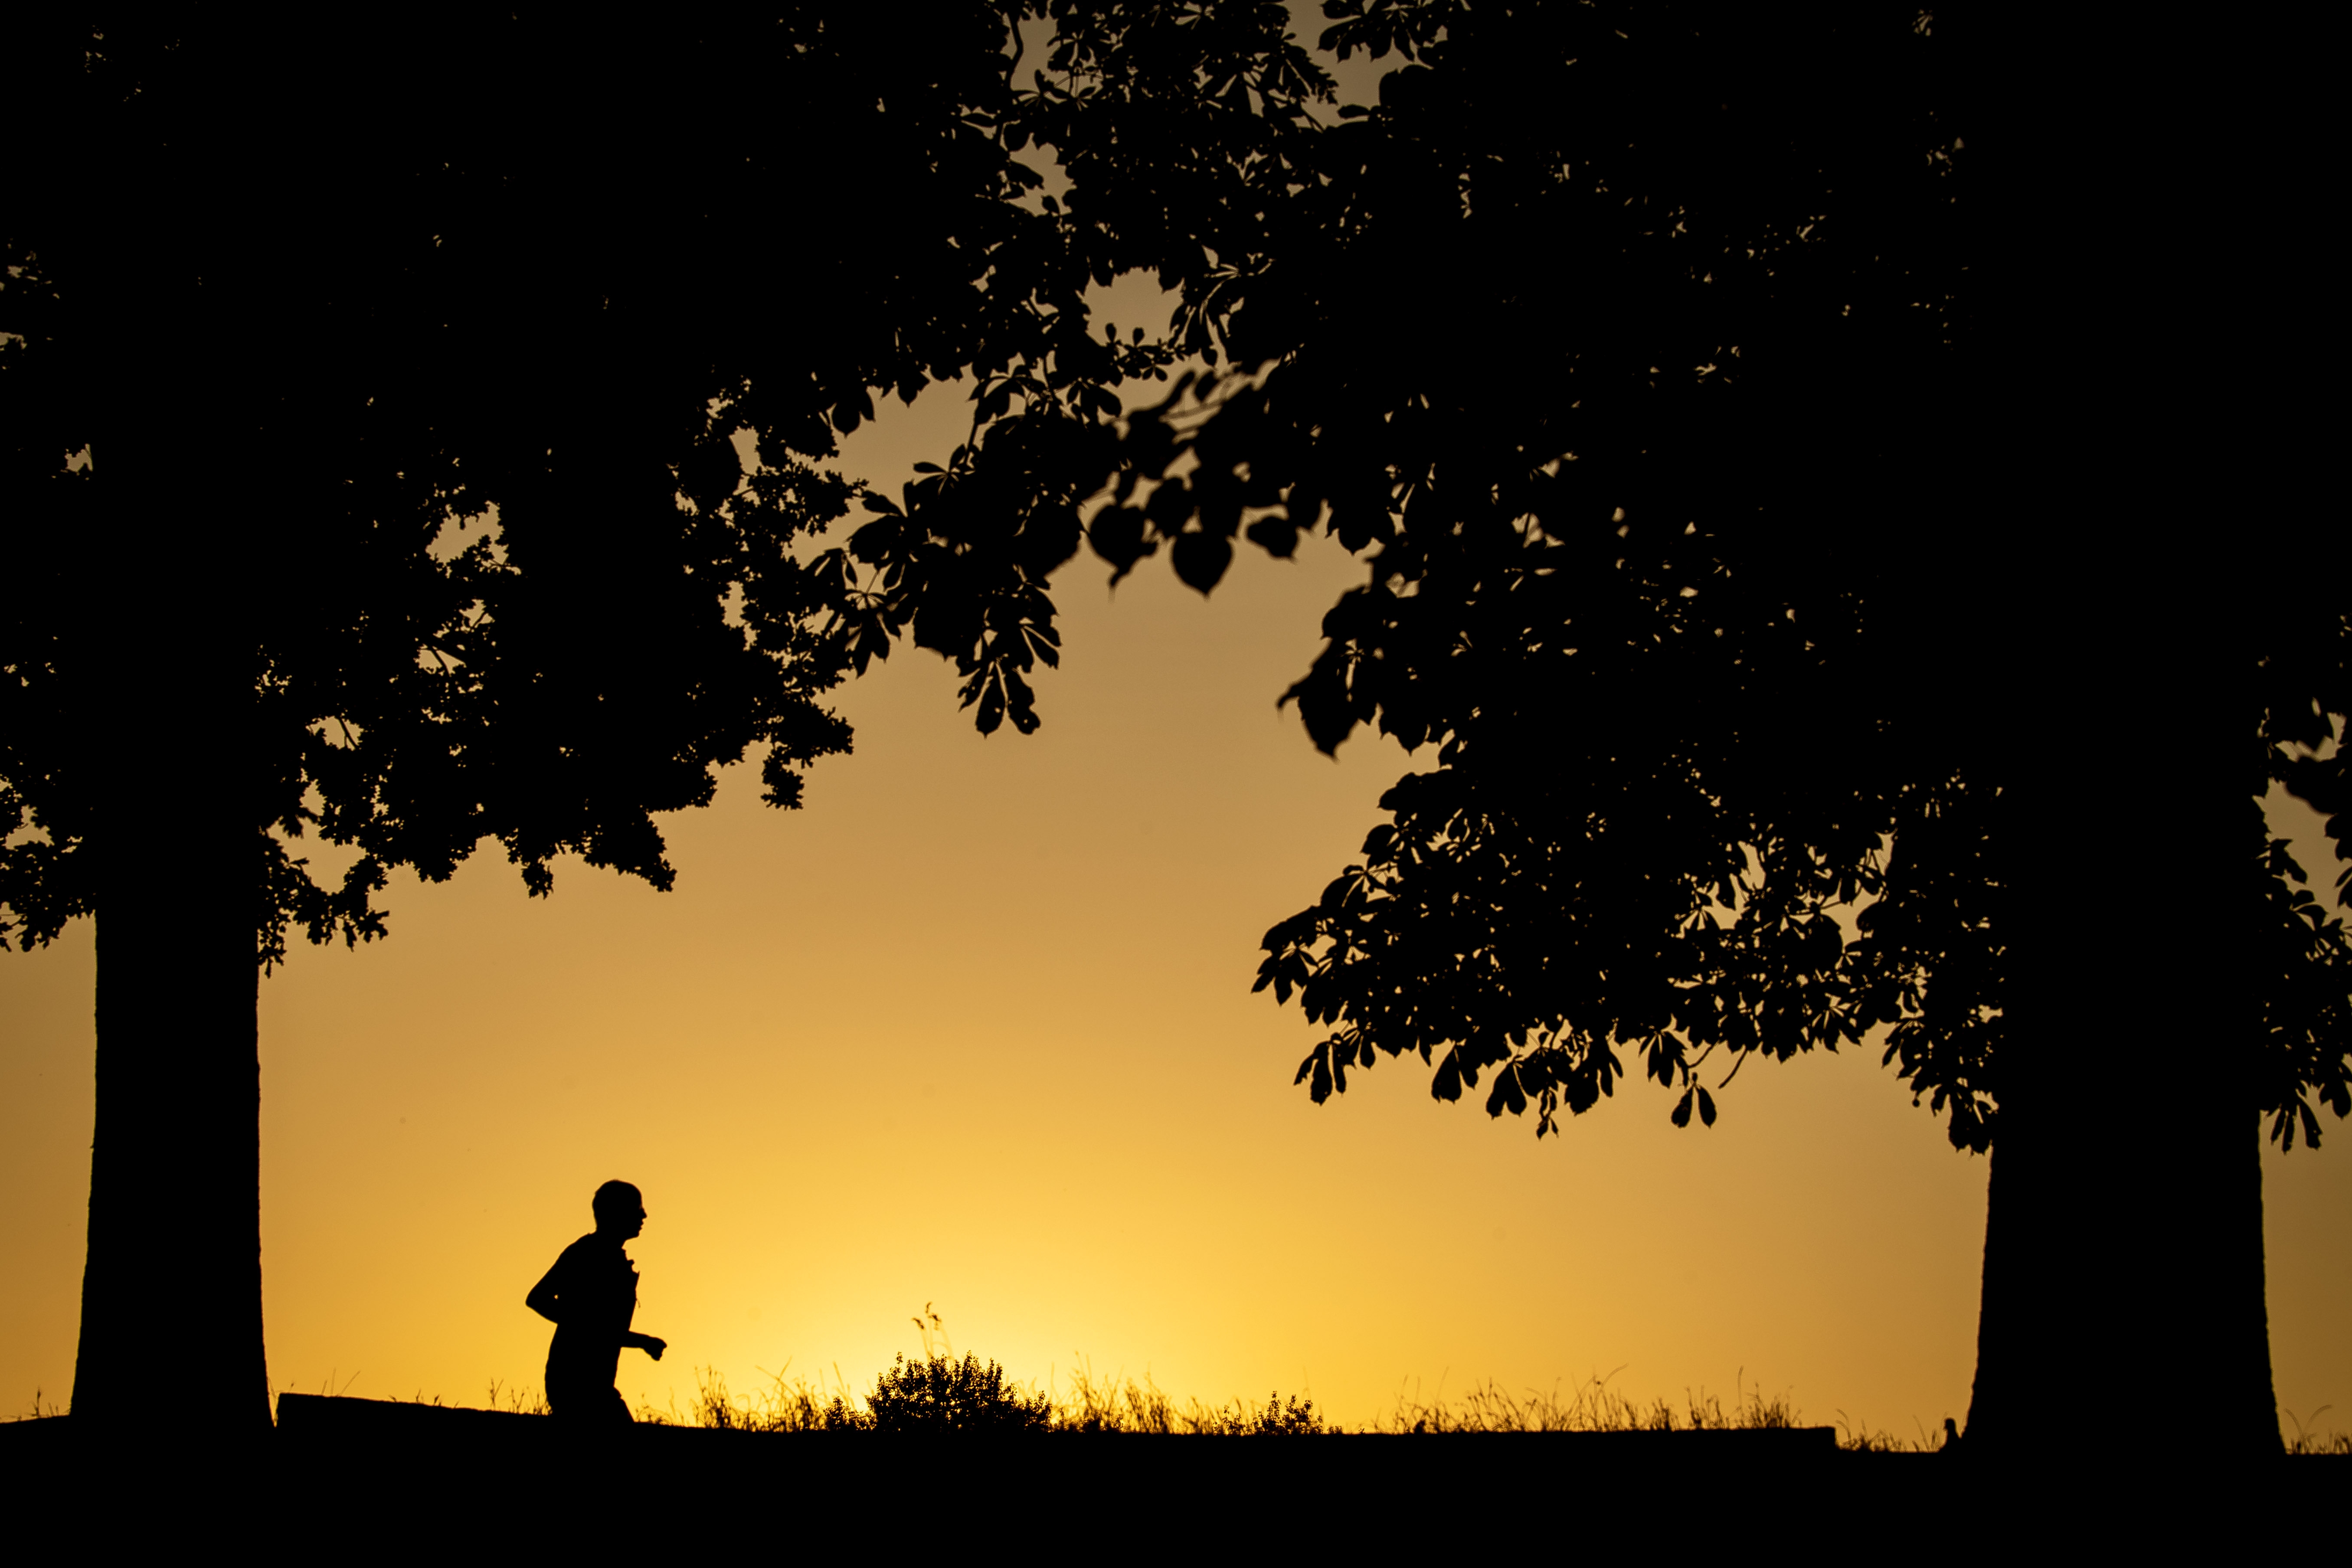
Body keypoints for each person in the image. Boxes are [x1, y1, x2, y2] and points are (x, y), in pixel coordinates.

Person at [526, 1179, 668, 1422]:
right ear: (616, 1212)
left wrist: (640, 1341)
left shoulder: (613, 1259)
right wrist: (581, 1324)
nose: (644, 1215)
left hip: (597, 1384)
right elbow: (538, 1298)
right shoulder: (585, 1253)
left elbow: (605, 1331)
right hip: (575, 1383)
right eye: (637, 1207)